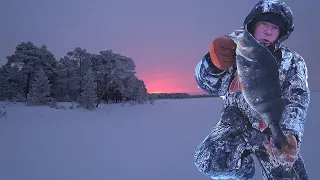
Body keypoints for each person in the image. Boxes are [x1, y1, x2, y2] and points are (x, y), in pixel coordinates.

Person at [193, 0, 310, 179]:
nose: (269, 31)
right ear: (252, 24)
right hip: (235, 123)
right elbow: (209, 85)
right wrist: (212, 64)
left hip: (272, 129)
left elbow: (297, 99)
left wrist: (289, 131)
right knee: (209, 160)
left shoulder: (293, 61)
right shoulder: (233, 48)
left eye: (275, 28)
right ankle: (243, 174)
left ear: (281, 34)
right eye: (264, 23)